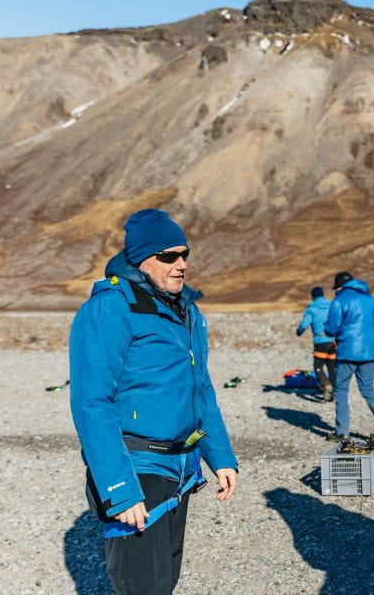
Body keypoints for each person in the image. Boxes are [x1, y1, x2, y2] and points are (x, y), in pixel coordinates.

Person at [69, 209, 238, 595]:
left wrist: (221, 457)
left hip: (180, 468)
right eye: (168, 256)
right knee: (142, 585)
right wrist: (120, 489)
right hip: (137, 468)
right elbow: (92, 402)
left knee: (164, 581)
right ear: (141, 258)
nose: (181, 264)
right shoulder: (109, 309)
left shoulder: (185, 310)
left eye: (184, 254)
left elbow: (201, 388)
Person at [323, 270, 374, 442]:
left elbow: (331, 329)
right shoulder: (371, 299)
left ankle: (342, 433)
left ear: (339, 286)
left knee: (341, 391)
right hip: (370, 353)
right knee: (367, 390)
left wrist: (331, 333)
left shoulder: (339, 299)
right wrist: (371, 345)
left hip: (347, 353)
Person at [297, 285, 336, 401]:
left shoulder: (312, 308)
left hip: (321, 341)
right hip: (334, 341)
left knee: (318, 366)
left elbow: (303, 325)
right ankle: (332, 395)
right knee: (331, 367)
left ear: (313, 297)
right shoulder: (332, 305)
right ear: (322, 295)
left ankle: (326, 385)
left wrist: (299, 332)